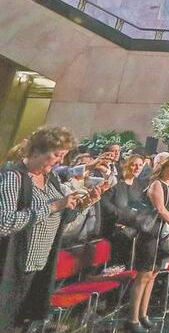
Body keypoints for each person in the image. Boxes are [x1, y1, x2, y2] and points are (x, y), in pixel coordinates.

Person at [0, 127, 83, 332]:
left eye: (63, 156)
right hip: (14, 266)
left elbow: (61, 219)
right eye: (56, 155)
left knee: (22, 323)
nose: (60, 162)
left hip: (40, 266)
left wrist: (82, 204)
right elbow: (5, 223)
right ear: (36, 151)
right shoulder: (14, 177)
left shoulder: (51, 178)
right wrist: (53, 206)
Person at [129, 155, 169, 331]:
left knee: (153, 274)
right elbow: (160, 208)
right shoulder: (157, 184)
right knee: (143, 275)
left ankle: (143, 314)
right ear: (163, 168)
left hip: (164, 235)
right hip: (151, 234)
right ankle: (133, 318)